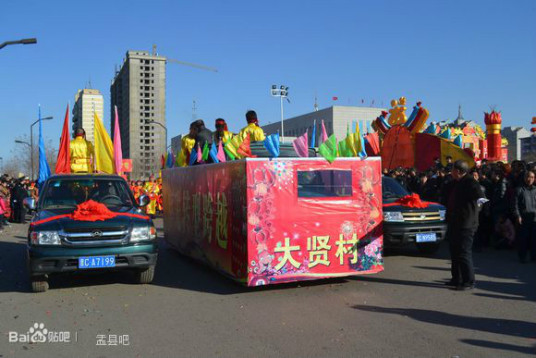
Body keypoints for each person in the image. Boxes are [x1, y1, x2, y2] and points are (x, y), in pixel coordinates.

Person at [443, 160, 485, 290]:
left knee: (464, 253)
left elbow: (481, 199)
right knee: (454, 252)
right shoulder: (456, 183)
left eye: (453, 170)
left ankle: (469, 281)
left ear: (459, 171)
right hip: (455, 222)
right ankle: (457, 278)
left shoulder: (471, 182)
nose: (451, 172)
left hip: (466, 223)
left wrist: (473, 211)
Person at [512, 170, 536, 263]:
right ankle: (522, 257)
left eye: (532, 177)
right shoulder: (519, 189)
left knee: (534, 239)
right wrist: (518, 215)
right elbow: (515, 205)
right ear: (524, 178)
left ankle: (533, 256)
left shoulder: (535, 190)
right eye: (528, 177)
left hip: (534, 218)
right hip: (523, 218)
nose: (530, 179)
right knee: (523, 239)